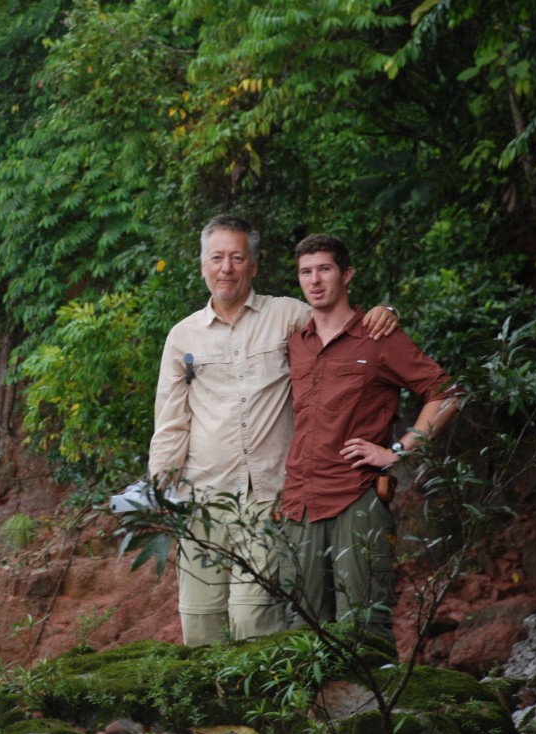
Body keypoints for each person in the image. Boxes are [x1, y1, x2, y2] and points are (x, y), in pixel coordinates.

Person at [148, 215, 399, 646]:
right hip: (202, 499)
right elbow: (171, 421)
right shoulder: (182, 336)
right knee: (201, 624)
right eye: (217, 258)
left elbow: (342, 326)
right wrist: (159, 490)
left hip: (269, 497)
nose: (226, 268)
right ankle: (217, 713)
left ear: (254, 266)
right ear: (203, 265)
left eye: (237, 258)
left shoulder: (287, 316)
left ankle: (263, 715)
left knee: (254, 623)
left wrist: (386, 312)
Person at [280, 233, 461, 643]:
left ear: (347, 275)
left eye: (324, 269)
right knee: (301, 636)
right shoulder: (296, 343)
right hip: (299, 506)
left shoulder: (378, 338)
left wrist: (398, 451)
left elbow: (448, 393)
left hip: (355, 499)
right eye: (305, 272)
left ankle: (372, 708)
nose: (315, 280)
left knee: (363, 632)